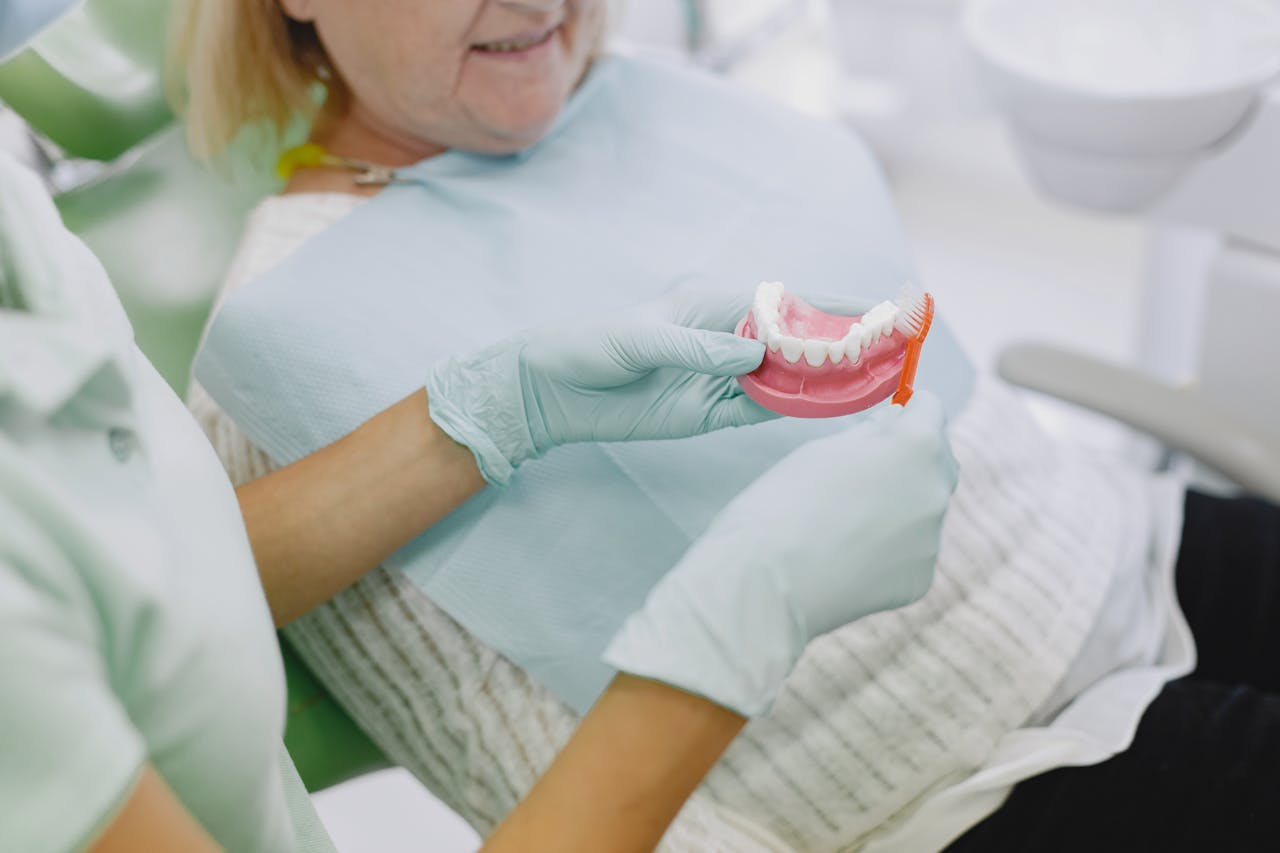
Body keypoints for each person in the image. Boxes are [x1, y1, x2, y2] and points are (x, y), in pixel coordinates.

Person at [174, 1, 1280, 851]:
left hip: (1107, 538)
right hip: (961, 785)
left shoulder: (639, 91)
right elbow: (514, 763)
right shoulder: (289, 346)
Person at [0, 4, 961, 852]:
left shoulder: (27, 240)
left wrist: (492, 410)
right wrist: (732, 630)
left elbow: (157, 565)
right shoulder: (288, 333)